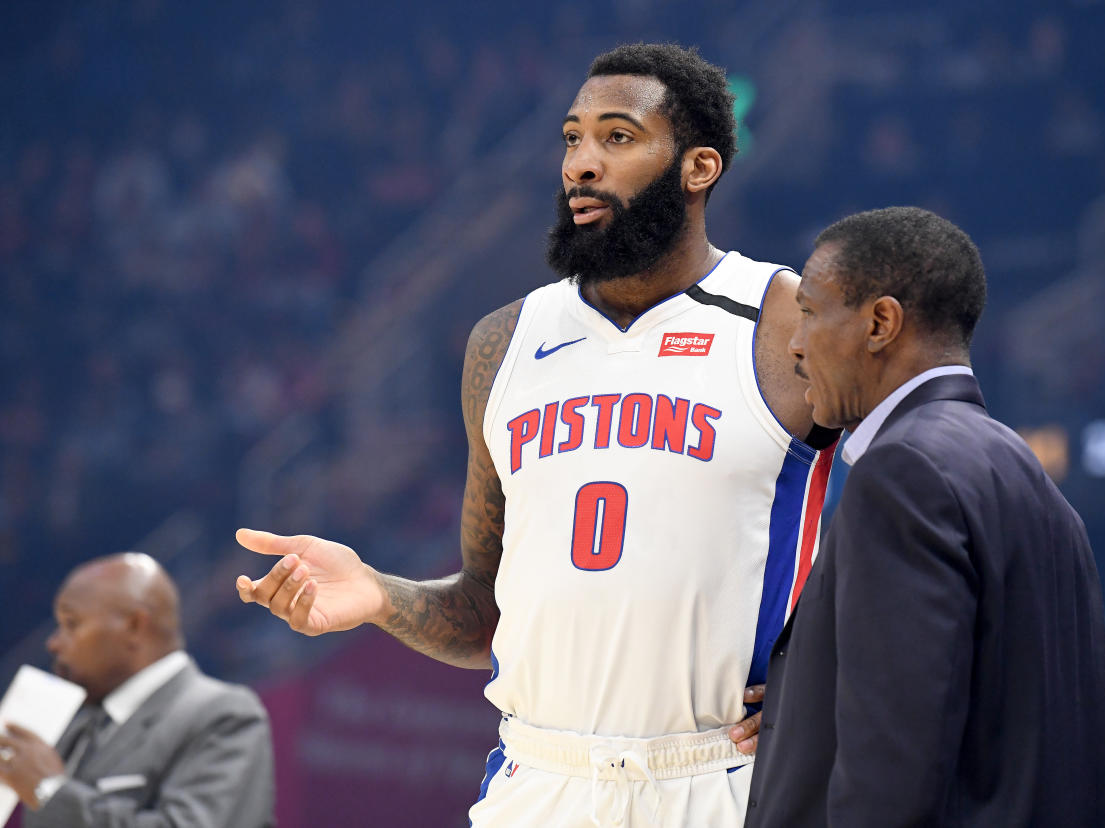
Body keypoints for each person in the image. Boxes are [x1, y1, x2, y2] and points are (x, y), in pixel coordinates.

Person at [234, 43, 836, 827]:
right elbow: (482, 610)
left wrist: (831, 671)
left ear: (699, 168)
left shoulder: (789, 321)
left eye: (617, 137)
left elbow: (918, 524)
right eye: (572, 138)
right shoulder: (504, 342)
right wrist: (379, 594)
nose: (581, 163)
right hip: (539, 783)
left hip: (722, 777)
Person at [744, 206, 1105, 827]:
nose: (794, 342)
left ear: (880, 323)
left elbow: (894, 773)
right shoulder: (1032, 480)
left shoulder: (902, 474)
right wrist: (805, 707)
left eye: (811, 313)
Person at [0, 553, 275, 828]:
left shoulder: (225, 714)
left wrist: (48, 790)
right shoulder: (80, 726)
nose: (54, 643)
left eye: (71, 624)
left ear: (134, 626)